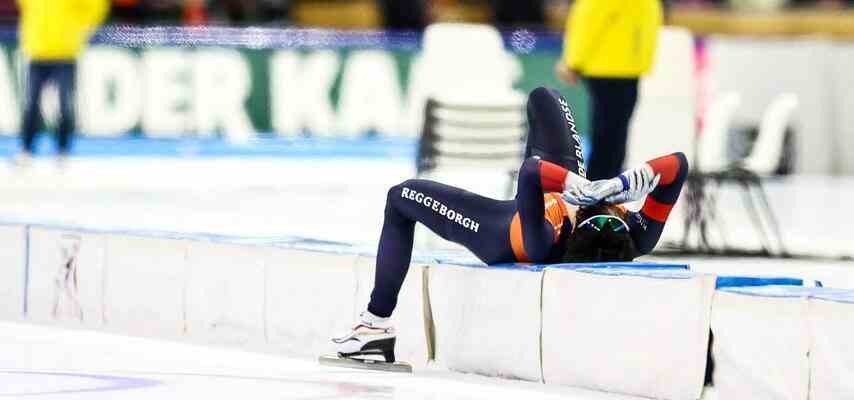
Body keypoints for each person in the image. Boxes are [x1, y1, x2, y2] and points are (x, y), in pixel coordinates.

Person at [331, 87, 688, 362]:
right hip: (560, 190)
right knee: (545, 97)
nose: (608, 208)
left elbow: (530, 174)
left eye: (599, 210)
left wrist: (573, 185)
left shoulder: (544, 241)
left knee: (401, 197)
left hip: (500, 226)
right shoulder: (637, 236)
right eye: (615, 212)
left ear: (574, 227)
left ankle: (374, 326)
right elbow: (680, 165)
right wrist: (622, 185)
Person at [555, 0, 663, 180]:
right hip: (621, 66)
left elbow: (589, 20)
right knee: (612, 141)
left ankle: (601, 196)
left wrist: (572, 61)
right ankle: (602, 196)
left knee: (608, 141)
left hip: (610, 66)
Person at [14, 0, 108, 165]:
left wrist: (79, 28)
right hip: (38, 52)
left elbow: (97, 7)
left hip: (65, 53)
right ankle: (26, 149)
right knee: (31, 105)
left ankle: (62, 150)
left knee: (65, 105)